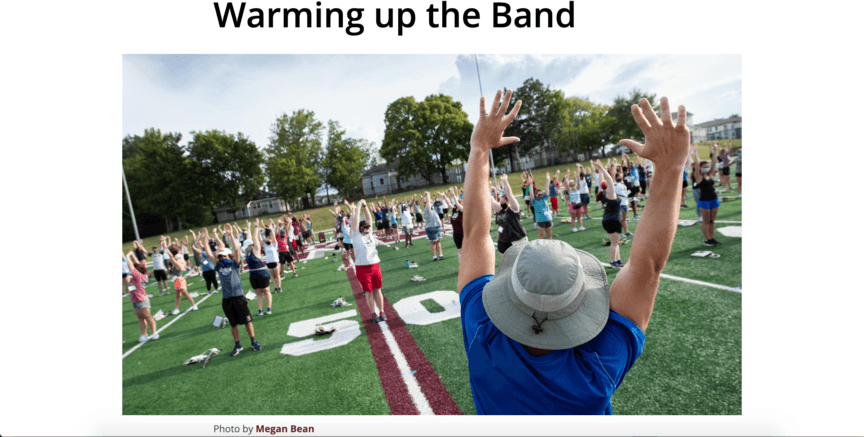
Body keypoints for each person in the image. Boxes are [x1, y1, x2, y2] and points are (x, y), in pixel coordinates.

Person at [458, 90, 690, 415]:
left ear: (510, 290)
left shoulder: (482, 330)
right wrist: (671, 167)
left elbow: (475, 235)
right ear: (579, 301)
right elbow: (646, 266)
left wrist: (479, 149)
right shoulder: (595, 373)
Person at [202, 226, 261, 357]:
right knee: (233, 325)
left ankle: (253, 341)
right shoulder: (218, 266)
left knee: (247, 321)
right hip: (227, 300)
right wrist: (205, 238)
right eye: (220, 256)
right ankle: (238, 345)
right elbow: (209, 253)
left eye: (224, 255)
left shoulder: (235, 264)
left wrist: (230, 234)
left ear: (230, 255)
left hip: (239, 297)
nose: (222, 257)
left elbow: (236, 250)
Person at [350, 200, 387, 323]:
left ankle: (381, 311)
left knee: (378, 289)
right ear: (360, 228)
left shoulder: (369, 233)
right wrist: (359, 204)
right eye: (364, 227)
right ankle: (373, 313)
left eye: (368, 227)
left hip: (375, 265)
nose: (367, 229)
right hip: (362, 268)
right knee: (369, 291)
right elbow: (355, 219)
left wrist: (366, 206)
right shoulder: (355, 235)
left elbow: (369, 218)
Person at [595, 161, 625, 268]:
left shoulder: (602, 194)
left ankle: (618, 260)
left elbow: (601, 181)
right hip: (614, 220)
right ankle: (613, 262)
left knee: (615, 242)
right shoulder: (610, 193)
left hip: (607, 220)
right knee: (614, 243)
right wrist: (601, 167)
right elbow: (608, 179)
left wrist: (600, 171)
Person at [124, 250, 159, 343]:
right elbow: (137, 264)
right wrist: (132, 254)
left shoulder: (139, 276)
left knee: (148, 317)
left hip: (141, 300)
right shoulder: (139, 275)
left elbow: (132, 267)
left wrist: (127, 257)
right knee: (140, 318)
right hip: (135, 300)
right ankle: (144, 334)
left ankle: (154, 333)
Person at [491, 172, 527, 256]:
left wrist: (505, 181)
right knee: (506, 263)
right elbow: (491, 201)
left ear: (507, 202)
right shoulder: (500, 210)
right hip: (504, 240)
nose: (501, 202)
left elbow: (510, 195)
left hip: (517, 239)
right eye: (500, 201)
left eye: (503, 201)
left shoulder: (513, 209)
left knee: (520, 261)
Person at [693, 143, 722, 246]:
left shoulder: (711, 174)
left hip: (714, 199)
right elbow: (697, 164)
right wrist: (695, 153)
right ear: (701, 168)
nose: (707, 167)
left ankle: (711, 238)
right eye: (705, 166)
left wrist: (715, 150)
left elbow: (714, 162)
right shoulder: (699, 177)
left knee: (712, 221)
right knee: (706, 221)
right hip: (704, 201)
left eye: (708, 166)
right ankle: (707, 240)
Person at [244, 219, 272, 316]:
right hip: (253, 275)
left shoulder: (256, 249)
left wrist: (256, 227)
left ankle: (268, 308)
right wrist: (248, 227)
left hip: (262, 273)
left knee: (266, 291)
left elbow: (255, 238)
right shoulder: (247, 252)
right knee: (258, 293)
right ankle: (260, 310)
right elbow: (248, 239)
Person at [163, 237, 198, 315]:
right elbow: (181, 253)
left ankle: (194, 305)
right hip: (177, 280)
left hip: (179, 280)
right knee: (178, 295)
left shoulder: (178, 263)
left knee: (185, 294)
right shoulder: (181, 260)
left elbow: (171, 256)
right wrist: (182, 246)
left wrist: (166, 248)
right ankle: (177, 309)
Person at [190, 230, 219, 294]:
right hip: (205, 270)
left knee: (213, 279)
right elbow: (201, 247)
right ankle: (209, 290)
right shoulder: (203, 255)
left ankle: (216, 289)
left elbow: (200, 251)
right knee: (207, 281)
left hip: (210, 269)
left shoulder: (206, 253)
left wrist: (194, 248)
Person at [441, 187, 465, 262]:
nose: (455, 205)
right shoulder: (454, 211)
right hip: (455, 234)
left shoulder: (463, 211)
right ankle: (462, 266)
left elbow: (457, 203)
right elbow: (448, 203)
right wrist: (444, 196)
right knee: (459, 251)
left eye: (457, 203)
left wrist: (453, 193)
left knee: (466, 250)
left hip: (463, 233)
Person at [528, 172, 554, 240]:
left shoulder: (545, 198)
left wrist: (547, 180)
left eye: (541, 194)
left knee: (549, 236)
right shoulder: (534, 201)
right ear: (536, 194)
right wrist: (530, 183)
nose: (540, 195)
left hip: (548, 219)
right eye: (539, 194)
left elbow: (546, 189)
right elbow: (531, 193)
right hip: (540, 220)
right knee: (541, 236)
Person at [423, 191, 444, 260]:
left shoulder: (432, 210)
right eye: (431, 202)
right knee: (433, 243)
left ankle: (440, 255)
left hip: (437, 227)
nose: (432, 203)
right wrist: (428, 194)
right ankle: (434, 257)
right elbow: (428, 202)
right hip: (431, 228)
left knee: (438, 241)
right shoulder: (427, 209)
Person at [262, 220, 282, 293]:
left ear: (271, 239)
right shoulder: (265, 246)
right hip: (268, 262)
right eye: (266, 238)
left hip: (275, 261)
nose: (266, 239)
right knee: (273, 276)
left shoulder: (274, 245)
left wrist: (271, 229)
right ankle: (275, 288)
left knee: (277, 275)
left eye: (268, 238)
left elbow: (274, 236)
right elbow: (261, 239)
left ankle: (279, 287)